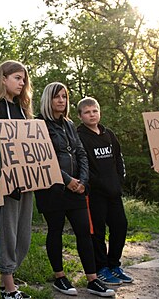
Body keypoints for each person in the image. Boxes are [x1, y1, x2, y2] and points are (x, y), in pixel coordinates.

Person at [34, 82, 115, 297]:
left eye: (64, 96)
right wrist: (67, 180)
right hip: (52, 188)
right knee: (55, 231)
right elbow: (44, 157)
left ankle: (92, 279)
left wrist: (83, 181)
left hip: (76, 188)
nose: (61, 100)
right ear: (47, 99)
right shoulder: (38, 123)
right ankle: (59, 277)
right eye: (56, 96)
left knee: (84, 232)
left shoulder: (69, 124)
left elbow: (80, 153)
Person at [0, 60, 33, 299]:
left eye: (23, 79)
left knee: (24, 235)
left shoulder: (23, 110)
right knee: (9, 232)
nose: (21, 83)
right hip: (6, 183)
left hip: (27, 180)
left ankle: (8, 280)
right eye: (17, 78)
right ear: (3, 79)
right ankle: (8, 286)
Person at [76, 97, 132, 286]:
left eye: (95, 111)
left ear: (99, 112)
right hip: (94, 194)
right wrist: (94, 184)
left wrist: (118, 182)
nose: (92, 115)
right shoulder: (79, 136)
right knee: (97, 232)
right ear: (80, 115)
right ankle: (101, 269)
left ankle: (114, 265)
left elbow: (118, 159)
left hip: (113, 192)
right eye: (87, 112)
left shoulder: (109, 134)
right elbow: (82, 165)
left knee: (120, 226)